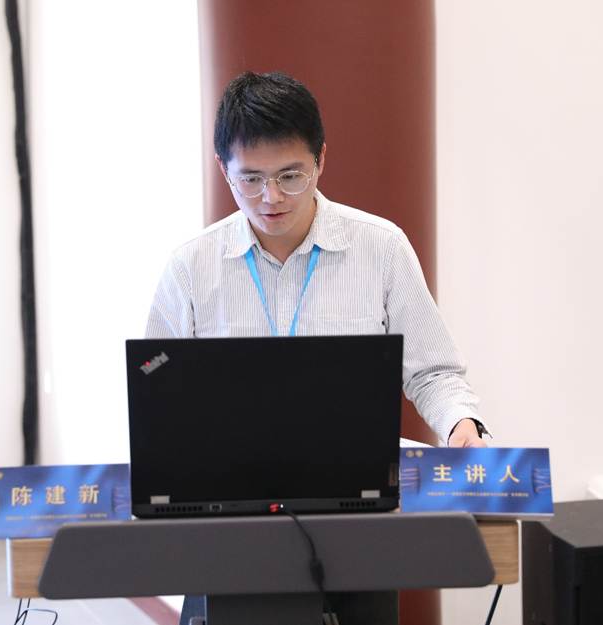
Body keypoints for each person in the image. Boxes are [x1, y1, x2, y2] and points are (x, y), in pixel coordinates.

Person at [145, 70, 488, 624]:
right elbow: (157, 394)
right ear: (224, 170)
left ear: (321, 160)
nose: (271, 197)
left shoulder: (380, 247)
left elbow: (433, 372)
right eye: (250, 179)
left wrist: (460, 426)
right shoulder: (191, 266)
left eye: (290, 175)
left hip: (358, 520)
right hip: (230, 524)